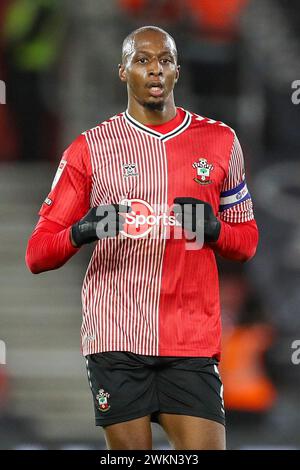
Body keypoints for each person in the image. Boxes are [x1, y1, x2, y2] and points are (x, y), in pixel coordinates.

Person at [25, 25, 259, 450]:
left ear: (177, 72)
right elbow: (37, 254)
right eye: (143, 60)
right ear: (122, 72)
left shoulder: (221, 141)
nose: (155, 70)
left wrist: (214, 230)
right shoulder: (91, 148)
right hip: (116, 336)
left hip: (191, 340)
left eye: (165, 61)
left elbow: (247, 243)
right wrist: (83, 230)